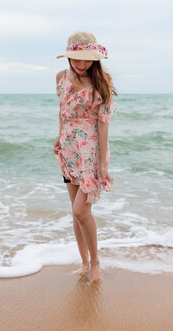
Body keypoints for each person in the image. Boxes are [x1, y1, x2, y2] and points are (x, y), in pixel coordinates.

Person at [54, 31, 117, 282]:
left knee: (82, 211)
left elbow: (103, 124)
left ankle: (96, 265)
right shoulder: (60, 77)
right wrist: (59, 136)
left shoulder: (103, 82)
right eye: (76, 60)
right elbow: (62, 110)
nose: (81, 65)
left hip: (90, 149)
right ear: (69, 57)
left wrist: (102, 164)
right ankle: (84, 263)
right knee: (75, 211)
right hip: (69, 148)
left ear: (95, 59)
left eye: (87, 60)